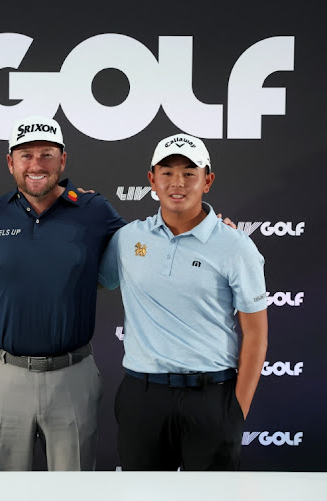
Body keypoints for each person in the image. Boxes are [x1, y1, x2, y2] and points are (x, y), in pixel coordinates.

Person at [0, 116, 126, 471]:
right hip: (5, 375)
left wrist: (207, 226)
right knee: (3, 493)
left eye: (47, 154)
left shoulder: (94, 211)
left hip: (73, 374)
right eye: (26, 155)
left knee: (72, 493)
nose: (36, 165)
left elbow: (149, 247)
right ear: (10, 162)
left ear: (62, 160)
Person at [98, 133, 268, 471]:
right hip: (142, 396)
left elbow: (256, 334)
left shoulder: (235, 246)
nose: (178, 183)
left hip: (212, 396)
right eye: (168, 172)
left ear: (208, 180)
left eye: (190, 173)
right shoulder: (128, 238)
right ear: (152, 180)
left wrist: (236, 412)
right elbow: (99, 280)